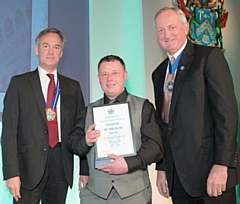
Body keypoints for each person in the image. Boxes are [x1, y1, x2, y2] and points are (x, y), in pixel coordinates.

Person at [152, 7, 239, 204]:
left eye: (172, 27)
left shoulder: (209, 57)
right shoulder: (159, 74)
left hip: (211, 175)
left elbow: (227, 115)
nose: (167, 35)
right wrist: (163, 168)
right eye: (161, 30)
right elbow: (164, 125)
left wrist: (221, 165)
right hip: (178, 180)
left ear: (185, 27)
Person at [1, 28, 85, 204]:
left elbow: (80, 131)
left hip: (60, 167)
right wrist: (11, 173)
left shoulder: (73, 87)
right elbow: (9, 132)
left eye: (56, 47)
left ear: (61, 53)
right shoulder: (19, 84)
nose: (50, 51)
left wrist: (84, 170)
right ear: (36, 49)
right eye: (45, 46)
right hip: (27, 169)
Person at [67, 55, 164, 203]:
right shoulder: (88, 111)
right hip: (96, 195)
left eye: (115, 73)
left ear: (125, 75)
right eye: (104, 74)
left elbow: (155, 146)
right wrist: (86, 141)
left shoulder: (143, 106)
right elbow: (72, 143)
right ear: (98, 78)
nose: (109, 79)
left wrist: (129, 163)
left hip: (135, 195)